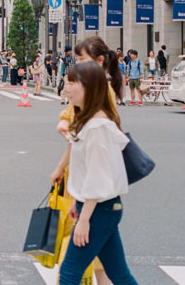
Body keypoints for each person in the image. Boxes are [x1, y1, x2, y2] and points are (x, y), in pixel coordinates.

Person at [50, 60, 138, 285]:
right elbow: (89, 171)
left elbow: (98, 175)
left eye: (72, 83)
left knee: (70, 272)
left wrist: (85, 217)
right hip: (102, 207)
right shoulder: (90, 121)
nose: (66, 88)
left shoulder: (98, 127)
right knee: (119, 275)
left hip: (99, 209)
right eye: (66, 83)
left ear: (90, 87)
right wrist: (77, 202)